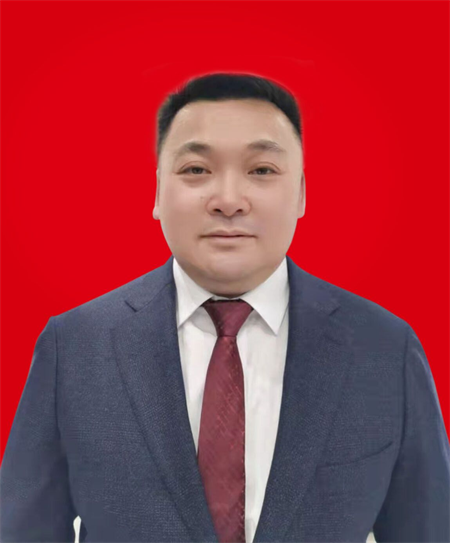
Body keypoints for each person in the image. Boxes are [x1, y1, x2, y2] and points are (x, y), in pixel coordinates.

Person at [0, 72, 449, 543]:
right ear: (157, 192)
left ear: (301, 193)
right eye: (196, 170)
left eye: (262, 171)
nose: (229, 201)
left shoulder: (384, 349)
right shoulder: (75, 347)